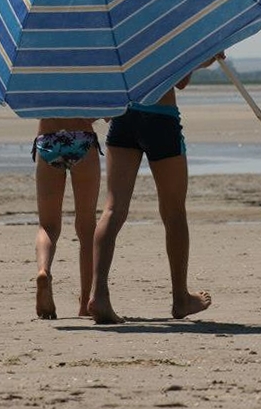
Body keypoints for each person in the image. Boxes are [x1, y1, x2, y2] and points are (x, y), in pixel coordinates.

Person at [88, 54, 224, 324]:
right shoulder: (166, 27)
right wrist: (201, 59)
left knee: (113, 209)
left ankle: (99, 293)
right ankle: (180, 297)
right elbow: (180, 81)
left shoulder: (122, 30)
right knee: (174, 212)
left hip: (124, 117)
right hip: (161, 118)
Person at [33, 117, 102, 319]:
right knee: (87, 227)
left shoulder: (39, 82)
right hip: (83, 139)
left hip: (47, 139)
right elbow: (104, 112)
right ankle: (85, 303)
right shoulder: (87, 81)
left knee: (47, 225)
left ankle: (43, 270)